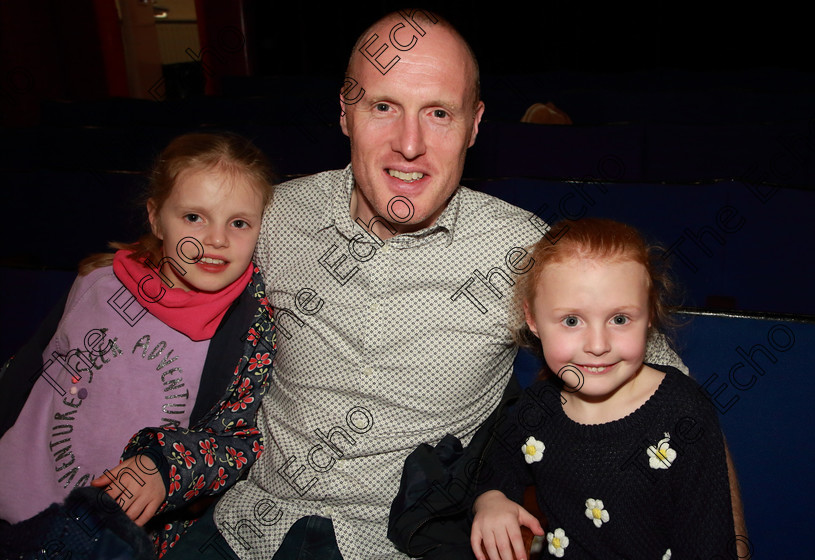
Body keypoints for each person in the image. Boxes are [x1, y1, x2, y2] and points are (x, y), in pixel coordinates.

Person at [163, 11, 695, 560]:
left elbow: (670, 395)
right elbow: (179, 268)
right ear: (346, 112)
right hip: (245, 529)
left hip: (401, 543)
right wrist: (124, 263)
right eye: (383, 107)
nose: (409, 145)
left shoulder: (520, 253)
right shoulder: (276, 216)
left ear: (474, 125)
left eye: (438, 112)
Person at [0, 132, 278, 556]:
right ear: (155, 217)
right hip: (12, 497)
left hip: (113, 535)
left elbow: (238, 442)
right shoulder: (97, 281)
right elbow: (25, 372)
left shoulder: (248, 327)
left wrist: (165, 468)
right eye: (193, 217)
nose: (216, 239)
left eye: (238, 223)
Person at [470, 218, 736, 560]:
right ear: (533, 319)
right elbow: (495, 468)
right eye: (571, 321)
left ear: (650, 314)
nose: (597, 345)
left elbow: (710, 541)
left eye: (620, 319)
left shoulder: (683, 411)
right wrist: (490, 500)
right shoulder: (536, 409)